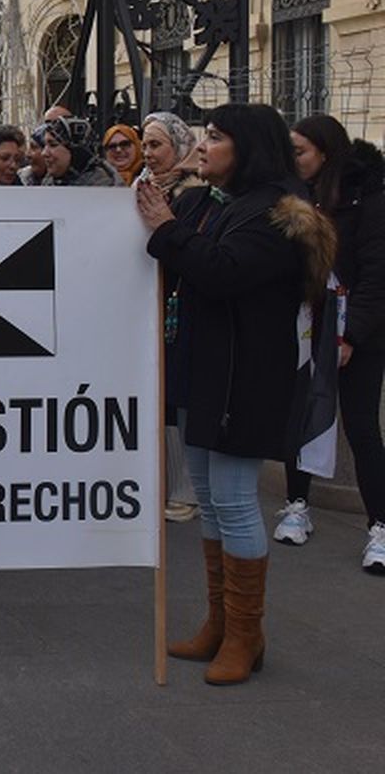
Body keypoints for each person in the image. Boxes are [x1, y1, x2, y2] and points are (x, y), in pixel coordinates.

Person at [137, 102, 335, 685]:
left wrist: (166, 231)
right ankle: (220, 624)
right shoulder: (218, 200)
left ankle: (245, 635)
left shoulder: (276, 214)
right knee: (208, 492)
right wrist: (170, 208)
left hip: (243, 378)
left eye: (216, 137)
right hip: (206, 371)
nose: (204, 146)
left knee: (234, 497)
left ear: (247, 147)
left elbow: (221, 270)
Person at [273, 115, 385, 572]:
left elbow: (377, 276)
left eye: (299, 151)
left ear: (325, 151)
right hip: (307, 323)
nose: (293, 159)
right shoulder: (295, 197)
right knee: (298, 418)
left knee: (361, 427)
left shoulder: (370, 198)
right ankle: (296, 505)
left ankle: (379, 525)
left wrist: (350, 335)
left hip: (358, 330)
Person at [135, 111, 206, 524]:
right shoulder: (141, 188)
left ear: (179, 146)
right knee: (157, 397)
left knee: (178, 395)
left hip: (178, 306)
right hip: (148, 305)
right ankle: (161, 483)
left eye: (156, 144)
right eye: (146, 144)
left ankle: (186, 490)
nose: (148, 153)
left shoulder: (192, 192)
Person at [41, 117, 118, 186]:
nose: (44, 153)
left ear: (76, 152)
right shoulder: (49, 182)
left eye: (53, 145)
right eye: (44, 145)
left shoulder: (103, 188)